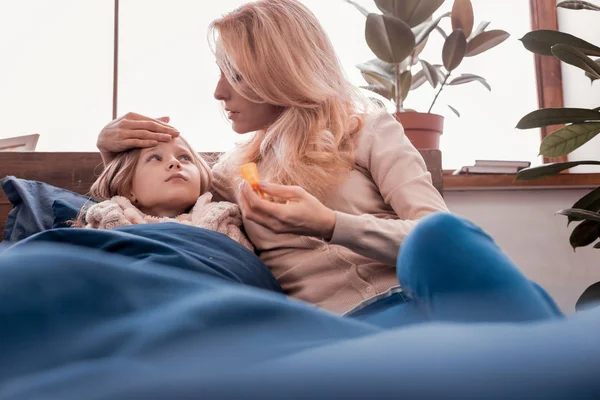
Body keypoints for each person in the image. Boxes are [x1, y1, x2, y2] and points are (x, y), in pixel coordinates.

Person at [95, 0, 561, 325]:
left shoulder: (369, 130)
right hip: (341, 327)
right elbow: (155, 201)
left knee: (442, 235)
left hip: (426, 294)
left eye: (234, 75)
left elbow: (436, 236)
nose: (219, 93)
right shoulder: (226, 176)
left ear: (280, 70)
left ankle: (541, 345)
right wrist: (108, 147)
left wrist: (332, 223)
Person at [80, 135, 253, 252]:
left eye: (185, 158)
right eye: (155, 158)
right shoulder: (103, 225)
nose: (175, 163)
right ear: (128, 189)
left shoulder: (226, 223)